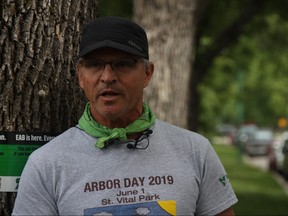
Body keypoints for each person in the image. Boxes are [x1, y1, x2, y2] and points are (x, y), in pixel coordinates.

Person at [12, 16, 238, 216]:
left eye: (123, 64)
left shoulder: (195, 151)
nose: (108, 77)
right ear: (81, 76)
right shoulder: (46, 164)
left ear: (147, 73)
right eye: (94, 65)